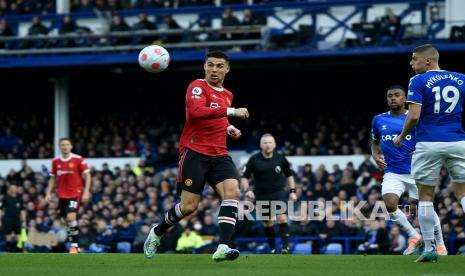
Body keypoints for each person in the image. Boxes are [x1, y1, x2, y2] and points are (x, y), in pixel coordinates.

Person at [144, 51, 250, 262]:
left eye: (219, 66)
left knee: (233, 192)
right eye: (210, 65)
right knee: (189, 207)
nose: (214, 70)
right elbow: (197, 112)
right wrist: (231, 112)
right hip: (195, 152)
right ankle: (157, 231)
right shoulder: (197, 86)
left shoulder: (227, 94)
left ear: (227, 69)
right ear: (204, 66)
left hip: (219, 153)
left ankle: (223, 246)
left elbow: (216, 117)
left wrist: (228, 128)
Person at [394, 44, 465, 262]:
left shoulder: (418, 81)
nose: (411, 63)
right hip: (458, 141)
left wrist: (402, 135)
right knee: (462, 193)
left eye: (414, 59)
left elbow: (414, 116)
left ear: (428, 61)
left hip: (428, 143)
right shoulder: (461, 78)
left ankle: (430, 249)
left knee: (425, 197)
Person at [371, 85, 446, 256]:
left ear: (405, 98)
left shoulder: (416, 118)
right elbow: (375, 143)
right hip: (393, 171)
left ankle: (440, 245)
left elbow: (431, 140)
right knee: (390, 204)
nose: (393, 98)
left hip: (416, 171)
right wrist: (375, 156)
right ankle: (414, 236)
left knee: (425, 208)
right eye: (390, 96)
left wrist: (420, 150)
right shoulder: (378, 120)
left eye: (397, 95)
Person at [240, 133, 296, 254]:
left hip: (278, 193)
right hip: (261, 195)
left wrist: (292, 191)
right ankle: (273, 248)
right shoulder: (254, 159)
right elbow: (244, 177)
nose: (268, 145)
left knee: (282, 217)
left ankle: (285, 247)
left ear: (274, 144)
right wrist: (247, 190)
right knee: (268, 222)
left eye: (270, 142)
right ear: (261, 145)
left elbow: (289, 175)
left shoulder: (281, 158)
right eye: (265, 143)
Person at [46, 137, 91, 254]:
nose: (65, 147)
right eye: (62, 145)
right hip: (61, 195)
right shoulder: (55, 161)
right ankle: (73, 243)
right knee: (66, 221)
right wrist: (48, 193)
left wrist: (86, 191)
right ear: (59, 147)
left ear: (71, 146)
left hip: (75, 193)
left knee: (71, 218)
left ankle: (75, 246)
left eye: (67, 144)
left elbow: (88, 175)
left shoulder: (78, 159)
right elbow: (52, 178)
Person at [0, 184, 26, 252]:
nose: (14, 189)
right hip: (7, 219)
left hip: (17, 219)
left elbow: (22, 210)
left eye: (15, 188)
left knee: (18, 234)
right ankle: (8, 249)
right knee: (8, 235)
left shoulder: (20, 198)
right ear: (10, 189)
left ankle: (19, 249)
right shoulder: (5, 198)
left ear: (17, 189)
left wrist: (24, 221)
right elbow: (1, 209)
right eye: (12, 188)